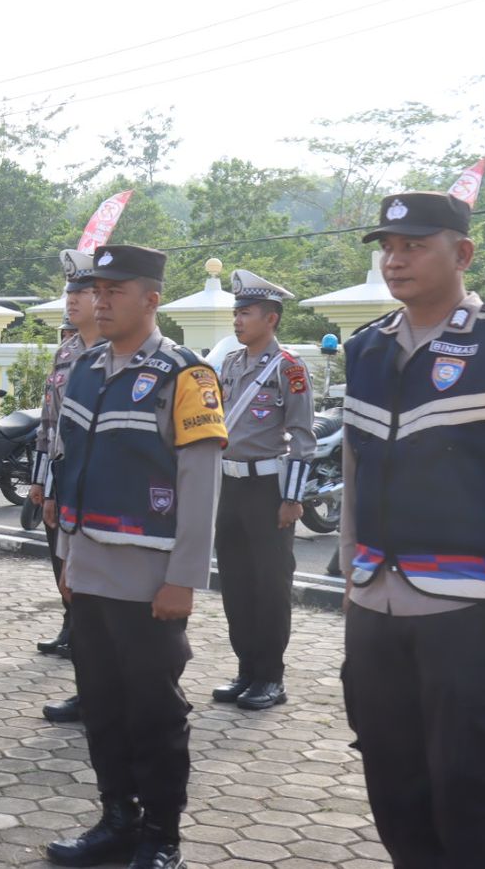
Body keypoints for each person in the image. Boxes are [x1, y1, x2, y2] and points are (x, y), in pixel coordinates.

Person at [340, 191, 485, 869]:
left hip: (473, 601)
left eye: (413, 246)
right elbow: (355, 467)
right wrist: (350, 573)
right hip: (376, 596)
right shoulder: (366, 347)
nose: (395, 261)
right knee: (390, 773)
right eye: (388, 248)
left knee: (465, 779)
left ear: (461, 254)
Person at [43, 244, 225, 869]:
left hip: (152, 577)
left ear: (151, 298)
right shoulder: (87, 368)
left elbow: (201, 483)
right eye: (96, 290)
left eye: (115, 290)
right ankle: (116, 818)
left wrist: (185, 580)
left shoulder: (188, 375)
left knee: (155, 712)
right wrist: (66, 553)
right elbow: (71, 465)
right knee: (101, 703)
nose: (101, 301)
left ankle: (162, 835)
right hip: (90, 567)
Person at [212, 269, 314, 712]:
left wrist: (292, 500)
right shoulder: (231, 364)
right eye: (235, 312)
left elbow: (303, 438)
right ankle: (246, 669)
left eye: (246, 312)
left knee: (269, 585)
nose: (238, 320)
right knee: (235, 583)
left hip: (268, 490)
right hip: (229, 486)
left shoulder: (288, 369)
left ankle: (271, 677)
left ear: (270, 318)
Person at [33, 249, 100, 724]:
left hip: (103, 482)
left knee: (101, 591)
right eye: (70, 291)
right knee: (67, 576)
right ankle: (87, 685)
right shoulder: (68, 349)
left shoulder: (116, 355)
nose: (72, 299)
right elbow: (48, 423)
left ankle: (110, 689)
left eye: (82, 291)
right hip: (63, 475)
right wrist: (44, 484)